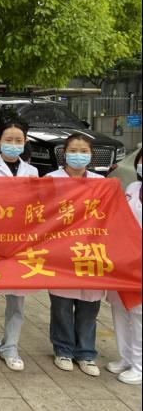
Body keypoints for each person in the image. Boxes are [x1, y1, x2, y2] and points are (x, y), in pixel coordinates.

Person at [0, 120, 39, 372]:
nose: (13, 144)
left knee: (17, 298)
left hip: (21, 242)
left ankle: (10, 346)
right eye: (8, 140)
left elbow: (35, 206)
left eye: (18, 140)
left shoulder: (32, 172)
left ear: (25, 143)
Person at [45, 133, 105, 377]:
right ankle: (63, 350)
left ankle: (86, 353)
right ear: (64, 153)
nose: (78, 155)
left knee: (89, 305)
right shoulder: (51, 180)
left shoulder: (102, 183)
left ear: (91, 155)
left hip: (92, 250)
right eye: (73, 150)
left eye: (83, 151)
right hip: (61, 251)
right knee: (61, 304)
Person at [106, 148, 142, 384]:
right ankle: (126, 357)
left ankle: (139, 365)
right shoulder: (133, 188)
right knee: (119, 308)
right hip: (125, 259)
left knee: (139, 313)